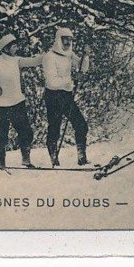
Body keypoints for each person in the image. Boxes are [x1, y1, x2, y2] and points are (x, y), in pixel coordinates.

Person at [0, 34, 42, 168]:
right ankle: (2, 164)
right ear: (6, 49)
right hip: (1, 106)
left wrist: (49, 55)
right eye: (14, 46)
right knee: (2, 135)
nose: (16, 48)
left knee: (26, 132)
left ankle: (26, 160)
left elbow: (34, 61)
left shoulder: (16, 60)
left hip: (17, 103)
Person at [42, 27, 90, 167]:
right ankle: (53, 158)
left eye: (70, 39)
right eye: (65, 39)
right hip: (53, 96)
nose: (68, 42)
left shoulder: (69, 54)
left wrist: (86, 56)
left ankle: (82, 157)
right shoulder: (49, 57)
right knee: (55, 128)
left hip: (66, 95)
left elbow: (83, 68)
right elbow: (52, 81)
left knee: (81, 125)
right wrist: (71, 80)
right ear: (58, 39)